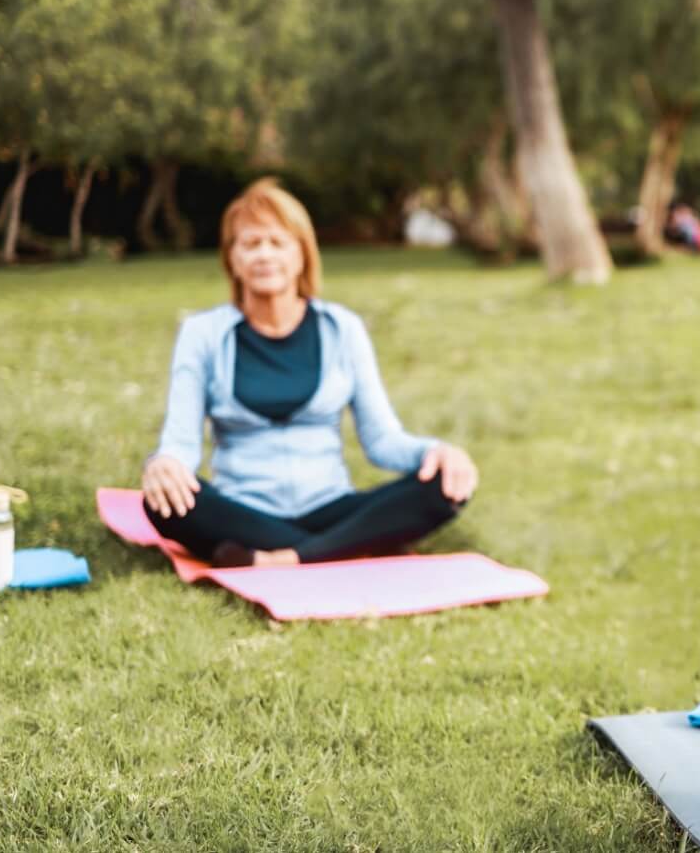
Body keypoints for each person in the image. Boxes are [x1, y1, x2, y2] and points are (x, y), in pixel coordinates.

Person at [140, 179, 478, 568]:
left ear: (302, 254)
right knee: (162, 500)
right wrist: (164, 463)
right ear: (231, 258)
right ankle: (350, 546)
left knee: (443, 488)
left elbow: (381, 440)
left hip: (331, 505)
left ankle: (278, 558)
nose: (264, 254)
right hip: (243, 511)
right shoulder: (203, 333)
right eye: (250, 244)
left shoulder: (343, 328)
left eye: (277, 242)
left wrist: (435, 452)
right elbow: (180, 443)